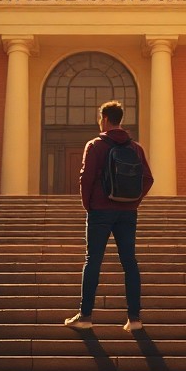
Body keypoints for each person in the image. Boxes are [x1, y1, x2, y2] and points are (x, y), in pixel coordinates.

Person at [65, 100, 155, 332]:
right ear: (119, 120)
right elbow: (148, 178)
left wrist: (89, 205)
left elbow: (86, 178)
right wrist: (133, 201)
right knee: (129, 262)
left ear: (104, 119)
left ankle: (85, 316)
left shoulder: (95, 145)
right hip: (127, 212)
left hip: (100, 211)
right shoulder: (135, 148)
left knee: (93, 260)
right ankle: (134, 319)